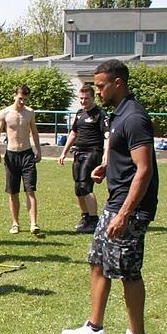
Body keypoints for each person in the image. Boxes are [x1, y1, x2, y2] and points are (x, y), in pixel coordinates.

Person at [61, 59, 159, 334]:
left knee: (128, 271)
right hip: (114, 202)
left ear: (118, 83)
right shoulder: (118, 115)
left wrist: (126, 214)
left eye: (101, 85)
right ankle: (94, 329)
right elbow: (127, 159)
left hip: (130, 208)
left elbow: (144, 170)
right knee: (98, 261)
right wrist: (108, 166)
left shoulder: (134, 117)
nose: (98, 91)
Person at [0, 85, 42, 234]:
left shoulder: (30, 113)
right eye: (20, 99)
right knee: (13, 192)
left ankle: (34, 223)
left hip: (27, 154)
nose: (22, 102)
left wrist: (38, 150)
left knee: (30, 190)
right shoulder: (5, 113)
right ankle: (15, 223)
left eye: (25, 100)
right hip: (11, 155)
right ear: (14, 96)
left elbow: (34, 132)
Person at [58, 84, 106, 233]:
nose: (83, 101)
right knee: (78, 187)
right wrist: (63, 152)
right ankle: (85, 217)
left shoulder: (100, 114)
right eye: (81, 98)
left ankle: (93, 219)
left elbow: (107, 135)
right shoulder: (79, 113)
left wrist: (106, 155)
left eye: (86, 98)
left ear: (93, 98)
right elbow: (73, 133)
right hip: (78, 152)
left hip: (93, 152)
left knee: (85, 185)